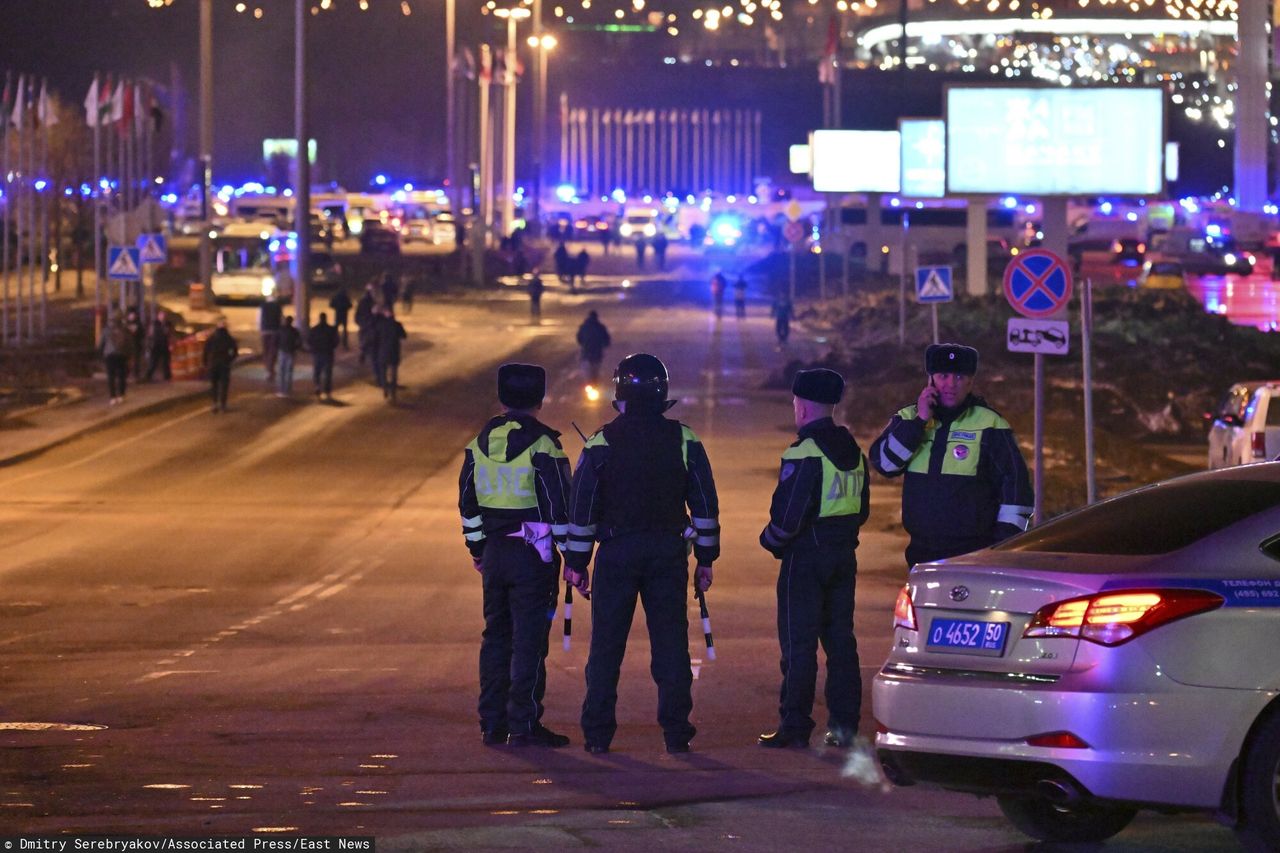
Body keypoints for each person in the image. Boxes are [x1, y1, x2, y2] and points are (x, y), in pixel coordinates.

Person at [565, 353, 720, 755]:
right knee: (671, 646)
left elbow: (581, 510)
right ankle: (676, 734)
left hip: (616, 553)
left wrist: (577, 564)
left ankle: (597, 736)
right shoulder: (685, 440)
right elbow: (704, 504)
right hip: (668, 554)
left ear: (619, 394)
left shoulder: (601, 442)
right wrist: (705, 558)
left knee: (606, 648)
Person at [458, 363, 574, 748]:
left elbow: (467, 504)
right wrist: (574, 559)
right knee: (529, 641)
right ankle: (523, 723)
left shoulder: (478, 444)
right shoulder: (545, 445)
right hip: (533, 553)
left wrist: (478, 549)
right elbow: (560, 509)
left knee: (495, 638)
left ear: (502, 397)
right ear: (539, 400)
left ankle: (491, 724)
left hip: (494, 553)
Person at [757, 368, 869, 750]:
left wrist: (770, 542)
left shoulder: (804, 452)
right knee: (841, 642)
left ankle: (794, 725)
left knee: (798, 644)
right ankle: (844, 727)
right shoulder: (854, 452)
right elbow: (863, 510)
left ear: (802, 406)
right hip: (843, 556)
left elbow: (787, 516)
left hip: (805, 559)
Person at [870, 344, 1034, 568]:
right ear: (931, 380)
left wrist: (1001, 546)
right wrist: (919, 422)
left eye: (959, 376)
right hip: (921, 552)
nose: (950, 384)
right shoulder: (908, 417)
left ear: (970, 382)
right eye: (943, 375)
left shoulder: (990, 423)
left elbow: (1016, 487)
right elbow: (885, 465)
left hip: (974, 553)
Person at [203, 317, 239, 414]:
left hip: (213, 364)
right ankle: (223, 405)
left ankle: (214, 404)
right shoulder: (229, 338)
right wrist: (229, 360)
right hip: (224, 364)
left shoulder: (212, 338)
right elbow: (235, 352)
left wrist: (205, 363)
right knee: (224, 385)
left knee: (214, 385)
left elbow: (206, 351)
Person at [372, 306, 407, 403]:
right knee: (393, 374)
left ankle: (385, 389)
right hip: (394, 352)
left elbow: (375, 339)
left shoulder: (380, 325)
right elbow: (404, 336)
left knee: (383, 373)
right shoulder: (397, 325)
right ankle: (393, 393)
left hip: (382, 352)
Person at [308, 311, 339, 401]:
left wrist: (313, 348)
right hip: (328, 353)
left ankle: (317, 386)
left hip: (317, 353)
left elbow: (309, 340)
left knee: (317, 371)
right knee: (328, 373)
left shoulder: (314, 329)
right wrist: (331, 347)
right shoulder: (331, 329)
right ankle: (327, 391)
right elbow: (336, 341)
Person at [100, 313, 130, 405]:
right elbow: (129, 343)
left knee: (111, 377)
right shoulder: (125, 330)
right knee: (121, 376)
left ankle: (112, 397)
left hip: (110, 355)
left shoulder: (106, 330)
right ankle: (121, 395)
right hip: (121, 355)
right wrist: (129, 355)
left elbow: (101, 343)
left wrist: (101, 354)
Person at [576, 310, 611, 385]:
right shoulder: (601, 327)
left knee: (587, 373)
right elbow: (607, 340)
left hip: (586, 354)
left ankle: (588, 386)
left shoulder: (584, 327)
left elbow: (579, 339)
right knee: (596, 373)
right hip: (597, 355)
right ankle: (595, 385)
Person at [276, 314, 302, 397]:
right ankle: (287, 389)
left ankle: (282, 389)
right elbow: (299, 342)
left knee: (282, 371)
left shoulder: (281, 330)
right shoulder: (294, 331)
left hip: (283, 351)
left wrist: (278, 348)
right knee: (289, 372)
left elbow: (276, 341)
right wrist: (295, 348)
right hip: (290, 352)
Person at [259, 296, 283, 382]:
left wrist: (260, 329)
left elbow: (259, 318)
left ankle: (268, 370)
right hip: (274, 331)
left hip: (265, 331)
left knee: (266, 351)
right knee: (273, 351)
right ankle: (271, 369)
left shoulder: (263, 306)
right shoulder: (278, 306)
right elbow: (281, 319)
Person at [144, 310, 172, 382]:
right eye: (161, 315)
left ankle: (167, 376)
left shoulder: (168, 324)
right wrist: (149, 344)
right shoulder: (154, 324)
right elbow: (150, 335)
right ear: (158, 316)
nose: (162, 317)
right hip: (156, 345)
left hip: (165, 345)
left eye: (164, 315)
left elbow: (170, 334)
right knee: (153, 361)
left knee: (166, 362)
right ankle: (148, 375)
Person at [355, 282, 377, 367]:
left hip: (364, 323)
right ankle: (366, 355)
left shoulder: (363, 301)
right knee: (369, 340)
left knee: (363, 339)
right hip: (369, 323)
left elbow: (358, 313)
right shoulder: (372, 301)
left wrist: (359, 321)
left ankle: (363, 353)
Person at [125, 309, 146, 380]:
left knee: (136, 361)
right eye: (131, 315)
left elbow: (142, 334)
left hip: (136, 345)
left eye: (133, 315)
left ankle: (136, 374)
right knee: (127, 361)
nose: (132, 317)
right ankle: (126, 374)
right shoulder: (125, 324)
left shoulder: (139, 324)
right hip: (127, 346)